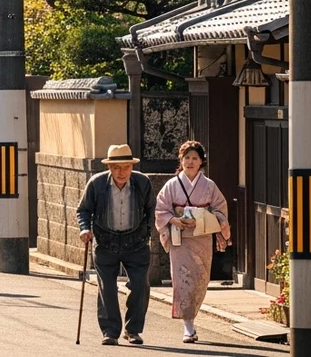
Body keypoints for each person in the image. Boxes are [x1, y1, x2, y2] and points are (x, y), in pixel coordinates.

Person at [76, 144, 157, 346]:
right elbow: (83, 210)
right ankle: (110, 331)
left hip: (136, 242)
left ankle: (133, 330)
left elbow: (151, 210)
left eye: (126, 167)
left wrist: (146, 233)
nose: (122, 172)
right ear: (109, 168)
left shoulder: (142, 182)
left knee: (140, 285)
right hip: (106, 242)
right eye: (116, 168)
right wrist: (85, 229)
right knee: (108, 288)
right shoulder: (96, 184)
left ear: (132, 167)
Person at [155, 141, 232, 343]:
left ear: (201, 162)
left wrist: (209, 218)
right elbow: (160, 210)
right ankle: (188, 326)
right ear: (181, 161)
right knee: (182, 281)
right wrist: (174, 220)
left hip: (202, 237)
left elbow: (221, 209)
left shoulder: (209, 186)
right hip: (180, 239)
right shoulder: (171, 185)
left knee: (200, 280)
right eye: (186, 158)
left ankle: (191, 318)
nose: (190, 161)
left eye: (194, 158)